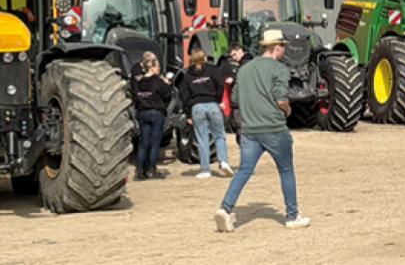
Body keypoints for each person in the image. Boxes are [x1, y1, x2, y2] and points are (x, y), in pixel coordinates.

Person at [214, 29, 310, 232]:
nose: (284, 49)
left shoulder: (245, 69)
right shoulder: (279, 69)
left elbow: (235, 99)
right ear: (276, 47)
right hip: (274, 128)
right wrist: (287, 109)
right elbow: (281, 98)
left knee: (244, 171)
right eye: (283, 46)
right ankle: (292, 215)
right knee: (286, 170)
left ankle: (225, 208)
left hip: (250, 129)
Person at [180, 48, 233, 179]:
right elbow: (220, 85)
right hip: (213, 105)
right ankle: (223, 161)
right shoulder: (213, 70)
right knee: (220, 135)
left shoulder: (187, 75)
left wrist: (188, 114)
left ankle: (205, 169)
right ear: (204, 58)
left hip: (197, 107)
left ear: (192, 59)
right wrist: (218, 99)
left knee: (202, 138)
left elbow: (184, 95)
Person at [131, 52, 171, 180]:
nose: (159, 69)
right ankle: (151, 170)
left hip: (143, 113)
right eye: (157, 67)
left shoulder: (139, 82)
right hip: (156, 113)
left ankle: (139, 170)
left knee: (143, 143)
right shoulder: (157, 82)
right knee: (154, 143)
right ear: (152, 68)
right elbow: (167, 95)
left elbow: (136, 96)